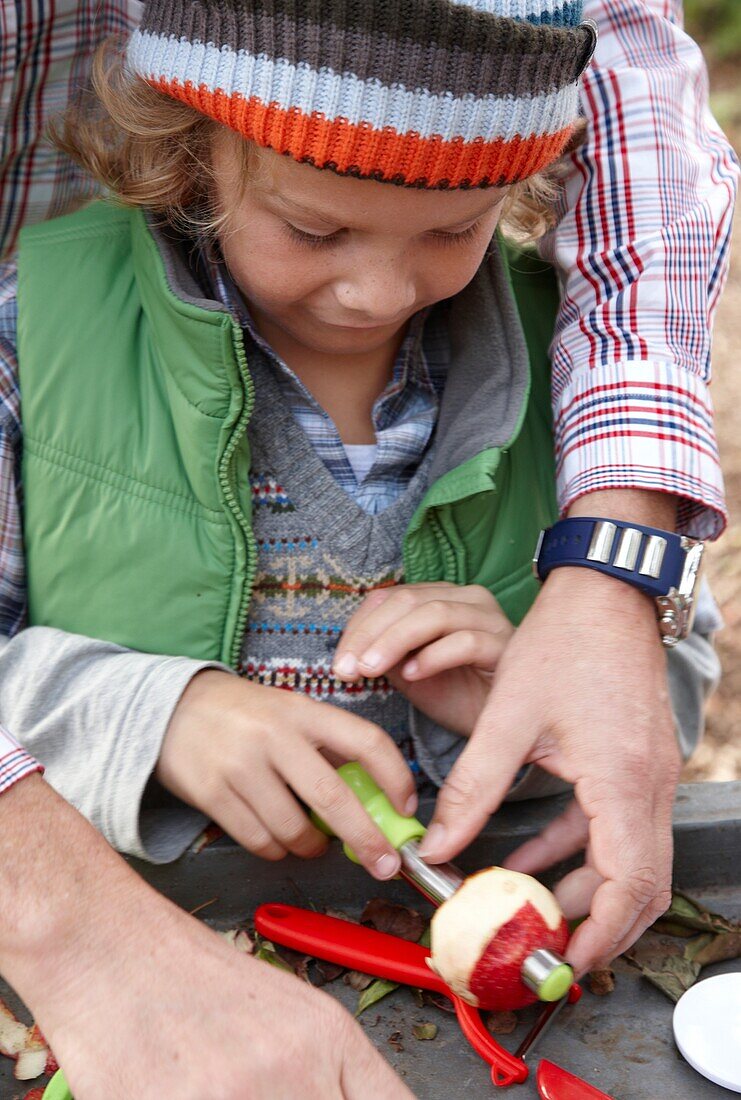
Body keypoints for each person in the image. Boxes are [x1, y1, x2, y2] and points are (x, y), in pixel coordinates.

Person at [0, 1, 736, 1094]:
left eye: (454, 228)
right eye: (313, 229)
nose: (379, 290)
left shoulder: (570, 382)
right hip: (136, 978)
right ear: (189, 147)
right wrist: (155, 716)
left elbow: (661, 676)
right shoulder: (39, 339)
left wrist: (520, 695)